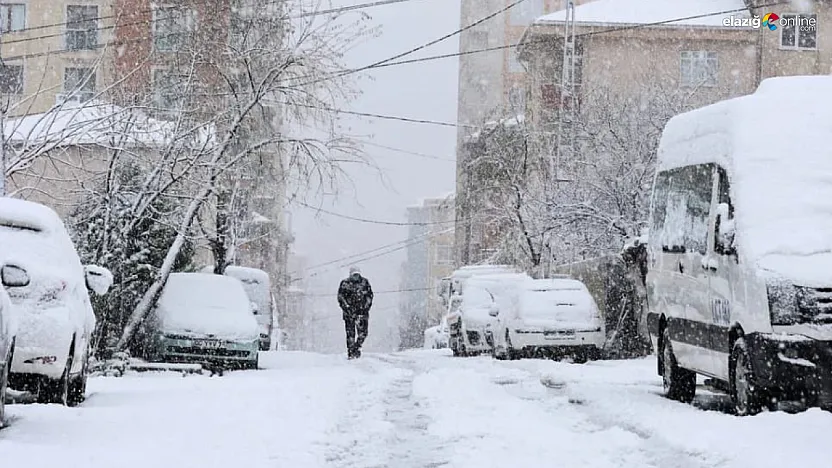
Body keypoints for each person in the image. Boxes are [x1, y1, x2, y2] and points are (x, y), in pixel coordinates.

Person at [337, 266, 374, 359]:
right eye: (354, 275)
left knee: (363, 333)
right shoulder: (345, 283)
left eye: (357, 275)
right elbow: (341, 298)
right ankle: (351, 352)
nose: (356, 277)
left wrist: (365, 308)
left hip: (362, 313)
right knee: (350, 334)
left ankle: (356, 347)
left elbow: (370, 296)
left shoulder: (365, 283)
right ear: (350, 275)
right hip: (349, 314)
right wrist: (347, 308)